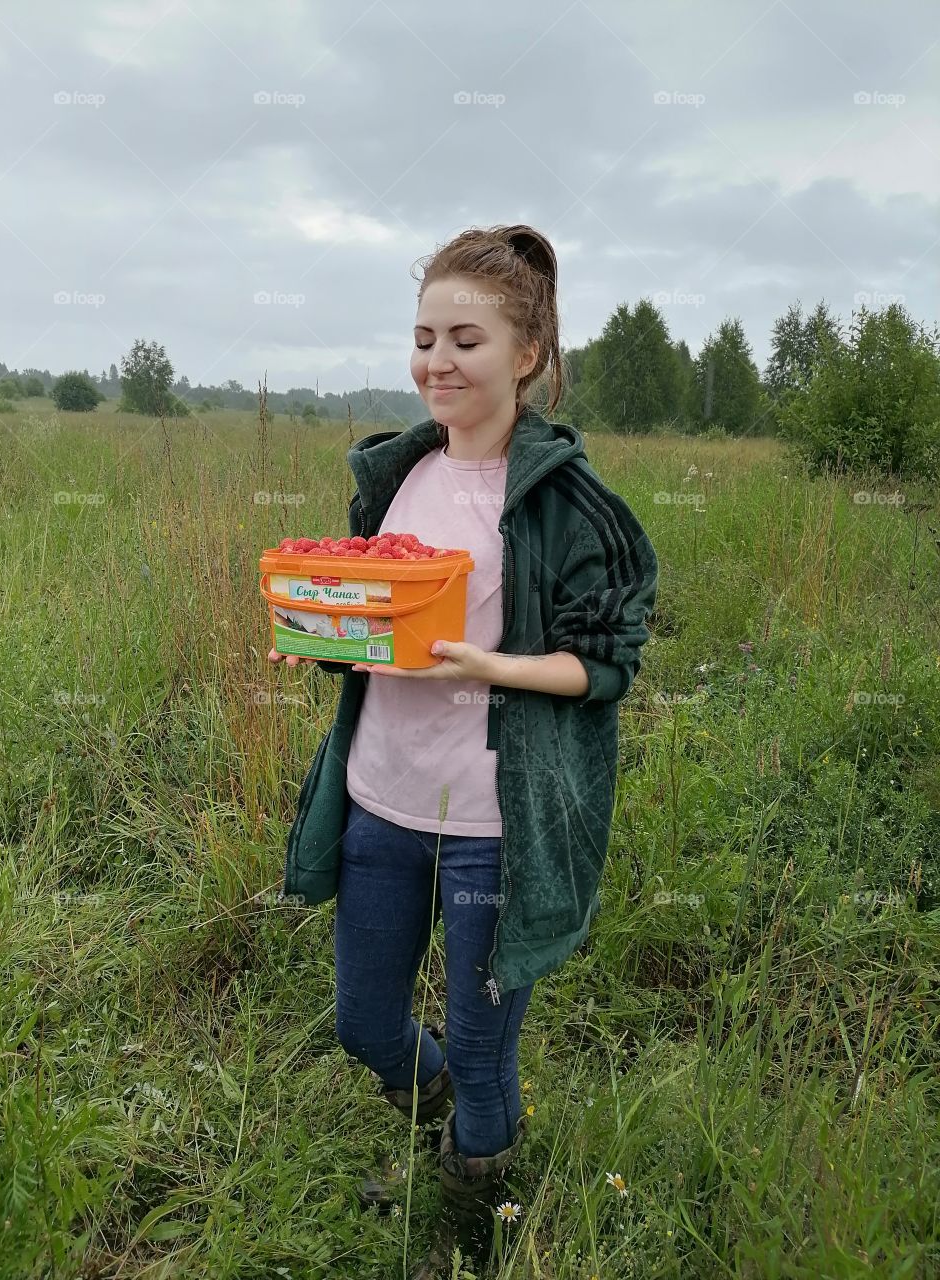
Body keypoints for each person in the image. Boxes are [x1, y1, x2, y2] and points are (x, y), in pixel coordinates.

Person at [269, 224, 659, 1278]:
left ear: (527, 354)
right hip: (381, 797)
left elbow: (610, 659)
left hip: (496, 820)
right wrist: (321, 627)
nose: (436, 361)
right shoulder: (396, 471)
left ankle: (475, 1201)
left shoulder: (571, 501)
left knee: (488, 1052)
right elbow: (375, 616)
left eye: (465, 340)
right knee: (362, 1023)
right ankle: (425, 1091)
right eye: (423, 336)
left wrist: (491, 666)